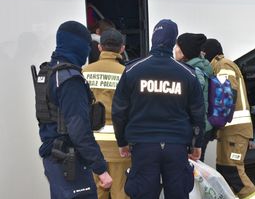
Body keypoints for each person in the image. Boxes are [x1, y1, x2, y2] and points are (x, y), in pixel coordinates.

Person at [111, 19, 206, 199]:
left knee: (144, 193)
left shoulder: (132, 70)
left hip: (143, 146)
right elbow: (198, 114)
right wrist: (197, 145)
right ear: (173, 42)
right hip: (176, 146)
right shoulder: (187, 73)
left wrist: (122, 142)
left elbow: (119, 111)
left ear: (153, 38)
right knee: (178, 193)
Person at [33, 21, 112, 199]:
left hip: (53, 157)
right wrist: (100, 169)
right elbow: (79, 130)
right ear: (78, 45)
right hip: (70, 162)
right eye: (86, 46)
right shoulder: (70, 80)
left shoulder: (48, 72)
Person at [200, 39, 255, 199]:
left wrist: (213, 125)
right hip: (229, 132)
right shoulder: (219, 66)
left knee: (233, 173)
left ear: (206, 53)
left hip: (235, 131)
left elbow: (226, 96)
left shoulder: (223, 65)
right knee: (225, 171)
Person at [82, 28, 130, 199]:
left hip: (92, 149)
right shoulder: (127, 73)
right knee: (122, 194)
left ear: (100, 48)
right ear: (122, 49)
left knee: (96, 194)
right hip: (121, 148)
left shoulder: (84, 72)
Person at [175, 33, 215, 162]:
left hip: (196, 129)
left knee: (192, 170)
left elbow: (191, 101)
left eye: (177, 46)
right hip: (200, 127)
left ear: (185, 51)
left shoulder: (193, 71)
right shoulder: (199, 67)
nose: (175, 49)